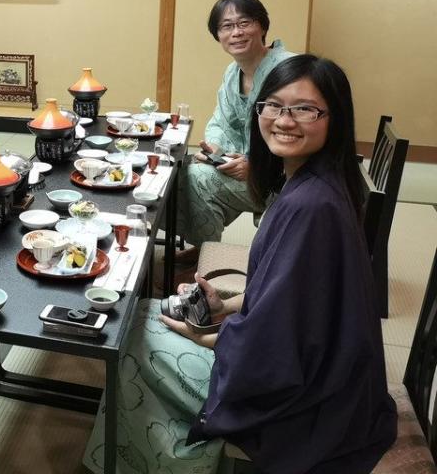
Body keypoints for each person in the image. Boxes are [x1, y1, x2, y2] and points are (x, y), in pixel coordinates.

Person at [83, 55, 396, 474]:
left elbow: (275, 346)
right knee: (150, 314)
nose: (285, 120)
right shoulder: (317, 182)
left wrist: (206, 335)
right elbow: (298, 296)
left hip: (309, 401)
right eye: (274, 106)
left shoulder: (311, 206)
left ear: (335, 118)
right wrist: (226, 307)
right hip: (331, 373)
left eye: (305, 108)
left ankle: (158, 462)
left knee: (132, 337)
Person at [178, 0, 294, 249]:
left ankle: (206, 255)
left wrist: (257, 168)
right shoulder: (233, 72)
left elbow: (297, 136)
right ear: (218, 35)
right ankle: (202, 247)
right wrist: (215, 152)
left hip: (285, 182)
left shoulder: (288, 71)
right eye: (227, 26)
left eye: (244, 23)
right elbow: (219, 121)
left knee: (197, 178)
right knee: (177, 170)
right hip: (250, 170)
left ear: (262, 26)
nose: (236, 32)